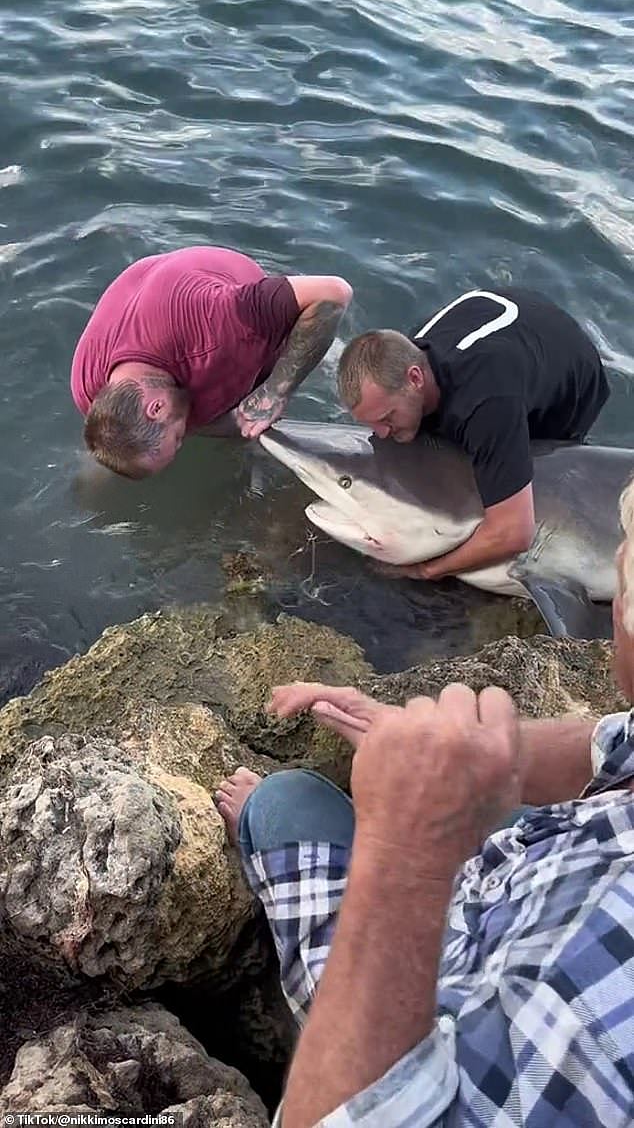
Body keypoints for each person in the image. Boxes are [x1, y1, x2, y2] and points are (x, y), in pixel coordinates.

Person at [214, 476, 634, 1127]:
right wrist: (453, 755)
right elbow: (609, 747)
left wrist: (405, 853)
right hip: (541, 877)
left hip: (442, 1026)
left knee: (282, 802)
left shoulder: (581, 1005)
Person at [337, 288, 609, 580]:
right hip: (513, 323)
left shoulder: (486, 404)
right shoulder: (405, 358)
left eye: (387, 417)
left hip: (570, 371)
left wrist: (426, 570)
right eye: (370, 423)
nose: (380, 433)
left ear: (415, 378)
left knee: (537, 478)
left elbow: (515, 535)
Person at [71, 246, 352, 477]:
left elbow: (333, 293)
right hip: (149, 282)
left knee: (259, 408)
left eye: (179, 440)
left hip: (216, 285)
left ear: (156, 407)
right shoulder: (86, 389)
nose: (182, 443)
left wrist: (276, 392)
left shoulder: (218, 320)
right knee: (232, 430)